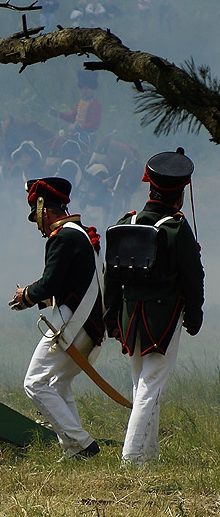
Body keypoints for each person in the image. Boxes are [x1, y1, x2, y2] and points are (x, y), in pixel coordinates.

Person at [104, 149, 203, 468]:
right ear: (180, 194)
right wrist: (195, 317)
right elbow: (193, 276)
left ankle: (149, 455)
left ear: (151, 187)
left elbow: (111, 278)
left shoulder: (126, 221)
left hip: (130, 316)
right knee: (149, 387)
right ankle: (131, 459)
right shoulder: (175, 228)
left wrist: (112, 319)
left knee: (142, 386)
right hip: (163, 319)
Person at [9, 177, 104, 459]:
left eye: (36, 215)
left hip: (73, 323)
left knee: (34, 383)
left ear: (43, 209)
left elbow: (51, 283)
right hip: (87, 325)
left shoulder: (62, 236)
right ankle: (74, 449)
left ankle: (83, 443)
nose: (37, 223)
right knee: (57, 384)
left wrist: (26, 294)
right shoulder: (79, 233)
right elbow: (68, 282)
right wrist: (33, 296)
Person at [50, 70, 102, 155]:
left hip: (87, 137)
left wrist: (78, 127)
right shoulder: (80, 102)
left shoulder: (95, 104)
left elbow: (95, 125)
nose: (84, 91)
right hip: (75, 134)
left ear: (92, 89)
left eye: (86, 88)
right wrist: (57, 113)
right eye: (82, 88)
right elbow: (72, 117)